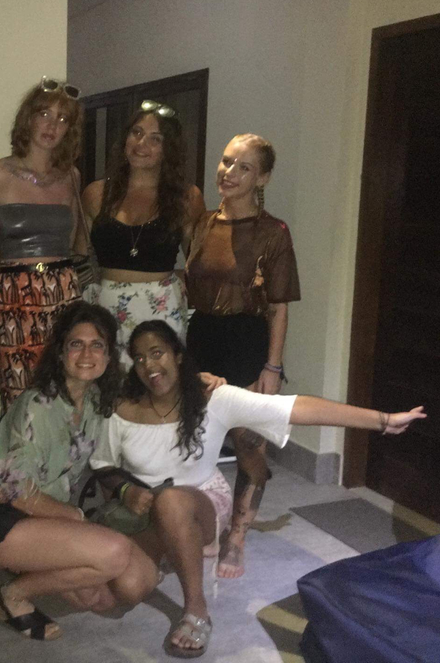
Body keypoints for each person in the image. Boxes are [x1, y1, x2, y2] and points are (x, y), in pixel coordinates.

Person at [90, 320, 424, 657]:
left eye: (157, 353)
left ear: (178, 356)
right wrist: (123, 492)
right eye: (140, 358)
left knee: (172, 502)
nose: (149, 365)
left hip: (199, 503)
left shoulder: (214, 398)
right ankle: (168, 553)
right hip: (144, 512)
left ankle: (196, 610)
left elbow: (297, 408)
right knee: (126, 591)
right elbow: (103, 465)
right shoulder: (122, 409)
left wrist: (381, 420)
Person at [0, 302, 159, 641]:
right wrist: (77, 517)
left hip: (45, 517)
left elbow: (153, 405)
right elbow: (18, 493)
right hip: (1, 518)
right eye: (76, 344)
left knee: (125, 587)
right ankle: (13, 594)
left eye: (97, 345)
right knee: (114, 553)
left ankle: (2, 567)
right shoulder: (37, 406)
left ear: (109, 356)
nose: (86, 354)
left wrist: (196, 385)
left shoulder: (96, 399)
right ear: (60, 352)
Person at [185, 133, 299, 578]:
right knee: (195, 440)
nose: (229, 173)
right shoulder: (202, 223)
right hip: (202, 337)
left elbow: (279, 306)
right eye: (227, 162)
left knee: (249, 446)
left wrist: (272, 366)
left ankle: (237, 536)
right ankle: (204, 525)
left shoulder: (274, 233)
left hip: (248, 340)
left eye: (243, 167)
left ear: (262, 177)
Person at [0, 78, 86, 410]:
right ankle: (21, 462)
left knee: (68, 388)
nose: (52, 125)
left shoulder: (71, 176)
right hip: (15, 298)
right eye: (44, 114)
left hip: (64, 292)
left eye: (63, 119)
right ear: (29, 117)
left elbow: (72, 242)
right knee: (20, 392)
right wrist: (8, 273)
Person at [83, 101, 205, 363]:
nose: (141, 144)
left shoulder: (186, 198)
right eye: (136, 133)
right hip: (106, 308)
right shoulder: (95, 194)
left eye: (155, 139)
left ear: (167, 149)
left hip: (162, 310)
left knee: (158, 392)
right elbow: (79, 256)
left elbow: (198, 262)